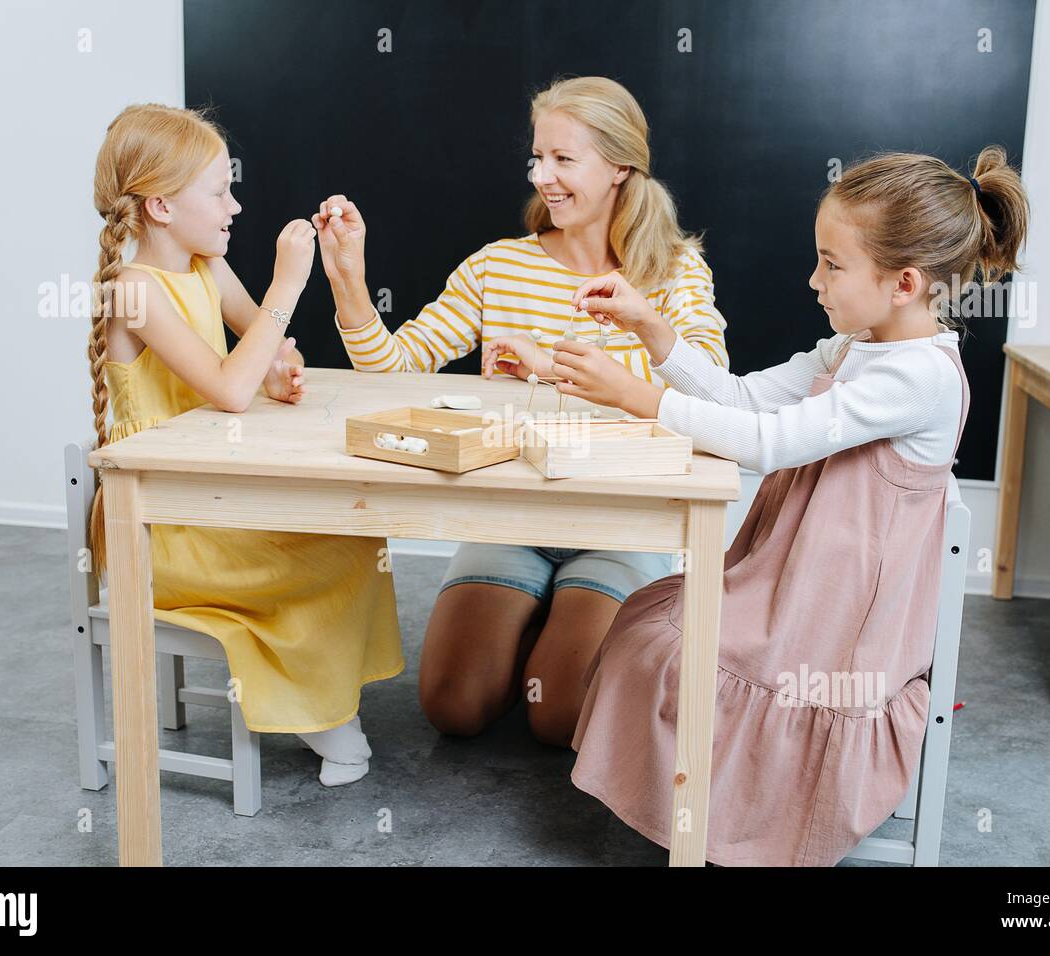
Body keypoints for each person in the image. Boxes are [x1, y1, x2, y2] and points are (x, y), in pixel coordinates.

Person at [541, 146, 1028, 865]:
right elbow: (742, 398)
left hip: (834, 617)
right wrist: (654, 331)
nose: (814, 279)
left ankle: (739, 823)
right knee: (648, 626)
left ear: (904, 282)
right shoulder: (855, 347)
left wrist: (638, 396)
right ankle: (700, 813)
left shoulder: (920, 376)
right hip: (791, 583)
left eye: (832, 264)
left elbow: (772, 442)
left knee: (669, 649)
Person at [315, 77, 728, 746]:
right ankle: (541, 616)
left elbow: (711, 393)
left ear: (620, 166)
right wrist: (349, 282)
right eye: (538, 159)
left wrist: (550, 362)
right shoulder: (497, 268)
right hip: (512, 516)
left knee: (558, 713)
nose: (544, 177)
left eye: (565, 160)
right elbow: (391, 372)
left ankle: (562, 621)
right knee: (454, 707)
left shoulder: (676, 271)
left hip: (619, 522)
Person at [87, 104, 403, 786]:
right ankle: (315, 711)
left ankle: (319, 698)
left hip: (209, 498)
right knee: (324, 552)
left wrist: (280, 368)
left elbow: (257, 349)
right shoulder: (134, 293)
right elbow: (228, 390)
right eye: (219, 191)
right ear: (161, 207)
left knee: (355, 535)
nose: (236, 204)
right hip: (164, 528)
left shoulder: (206, 268)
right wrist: (289, 282)